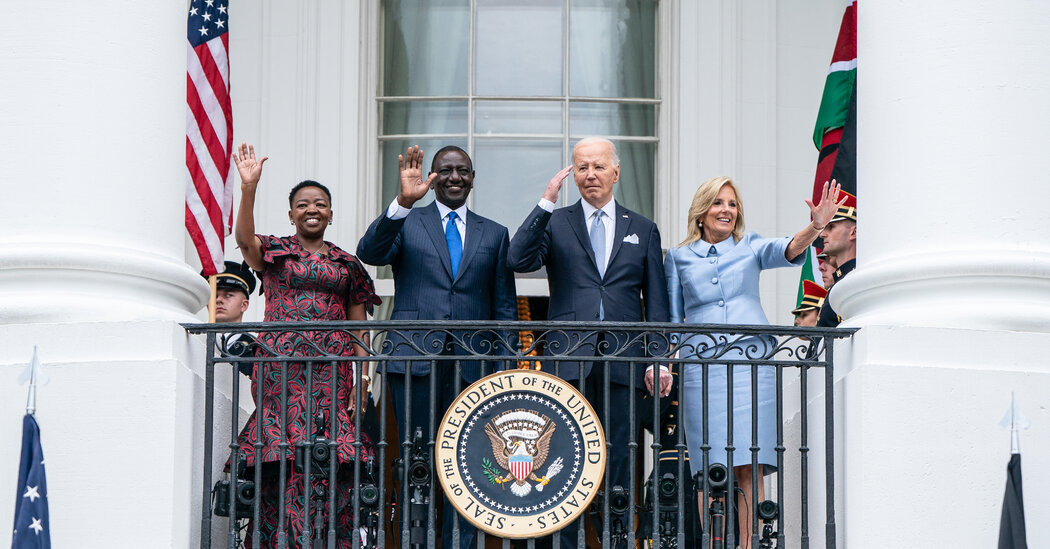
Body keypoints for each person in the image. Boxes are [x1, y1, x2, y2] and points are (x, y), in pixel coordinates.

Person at [507, 137, 672, 548]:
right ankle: (570, 541)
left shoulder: (643, 228)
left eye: (598, 166)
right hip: (569, 359)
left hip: (625, 360)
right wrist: (545, 202)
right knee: (566, 455)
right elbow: (517, 259)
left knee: (619, 456)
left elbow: (657, 302)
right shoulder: (557, 222)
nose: (590, 175)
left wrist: (660, 359)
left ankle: (616, 539)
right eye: (582, 167)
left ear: (615, 172)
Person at [663, 176, 844, 548]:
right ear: (702, 212)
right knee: (708, 466)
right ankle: (713, 543)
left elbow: (788, 249)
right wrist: (664, 364)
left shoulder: (750, 246)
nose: (726, 210)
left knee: (750, 461)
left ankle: (749, 544)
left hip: (751, 364)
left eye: (732, 204)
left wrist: (816, 226)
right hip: (702, 365)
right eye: (718, 203)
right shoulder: (678, 257)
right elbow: (673, 321)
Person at [356, 145, 517, 549]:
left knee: (466, 463)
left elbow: (504, 307)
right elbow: (369, 252)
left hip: (473, 366)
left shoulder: (494, 233)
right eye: (445, 171)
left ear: (473, 177)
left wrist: (505, 366)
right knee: (416, 459)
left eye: (463, 171)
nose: (454, 177)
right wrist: (401, 204)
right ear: (431, 177)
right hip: (413, 359)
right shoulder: (409, 222)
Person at [232, 143, 381, 548]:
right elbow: (244, 240)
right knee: (282, 452)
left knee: (329, 454)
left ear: (331, 213)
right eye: (302, 204)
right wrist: (249, 189)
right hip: (282, 369)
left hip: (333, 371)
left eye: (319, 204)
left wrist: (363, 378)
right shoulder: (277, 253)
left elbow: (359, 328)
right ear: (291, 213)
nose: (311, 209)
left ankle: (326, 538)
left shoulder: (347, 264)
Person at [205, 260, 258, 374]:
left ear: (244, 305)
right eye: (214, 295)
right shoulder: (198, 342)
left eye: (228, 295)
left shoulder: (255, 349)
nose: (218, 300)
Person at [817, 203, 857, 327]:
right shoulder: (841, 279)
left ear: (853, 232)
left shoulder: (855, 279)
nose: (822, 234)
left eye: (831, 227)